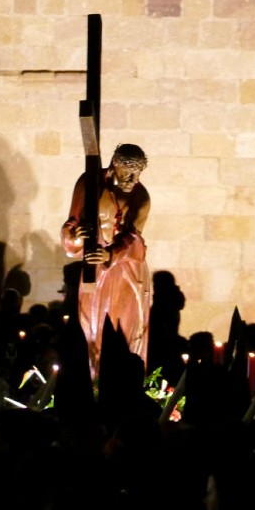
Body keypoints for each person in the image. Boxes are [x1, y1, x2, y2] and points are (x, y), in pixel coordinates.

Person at [61, 143, 152, 372]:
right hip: (96, 267)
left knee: (128, 330)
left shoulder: (141, 197)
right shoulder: (89, 183)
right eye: (127, 172)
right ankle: (93, 382)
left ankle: (126, 381)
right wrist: (75, 235)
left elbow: (134, 240)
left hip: (126, 271)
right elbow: (73, 222)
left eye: (137, 174)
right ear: (114, 165)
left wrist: (110, 253)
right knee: (92, 324)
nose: (132, 179)